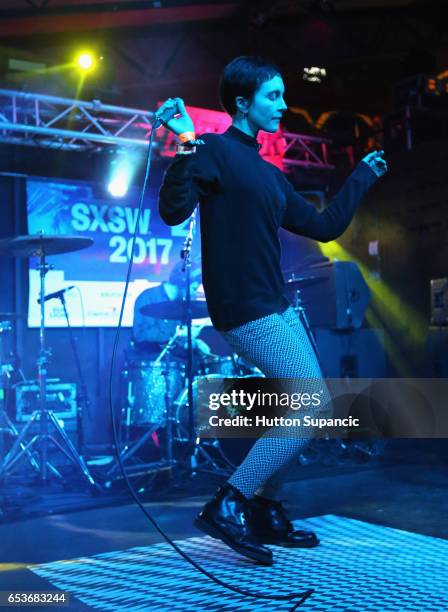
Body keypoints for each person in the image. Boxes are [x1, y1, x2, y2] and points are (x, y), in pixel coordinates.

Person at [157, 56, 387, 566]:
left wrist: (360, 179)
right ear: (243, 102)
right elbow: (172, 209)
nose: (284, 105)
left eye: (284, 95)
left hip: (275, 304)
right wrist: (187, 143)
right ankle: (230, 502)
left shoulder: (271, 176)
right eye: (273, 96)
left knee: (306, 403)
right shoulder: (213, 150)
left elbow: (325, 227)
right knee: (310, 408)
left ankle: (263, 509)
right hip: (243, 304)